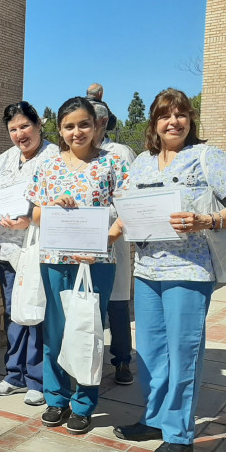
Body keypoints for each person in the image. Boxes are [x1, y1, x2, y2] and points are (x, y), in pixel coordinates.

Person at [113, 88, 226, 452]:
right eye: (166, 115)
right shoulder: (143, 164)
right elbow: (128, 210)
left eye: (181, 114)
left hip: (190, 270)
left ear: (190, 120)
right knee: (150, 353)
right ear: (154, 121)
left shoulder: (206, 156)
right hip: (148, 270)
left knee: (183, 352)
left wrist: (208, 220)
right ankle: (154, 419)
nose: (174, 121)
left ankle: (180, 436)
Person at [28, 96, 127, 435]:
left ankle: (84, 403)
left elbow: (127, 213)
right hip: (55, 261)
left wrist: (106, 241)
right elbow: (35, 215)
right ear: (60, 130)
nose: (77, 131)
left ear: (97, 125)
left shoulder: (112, 164)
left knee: (88, 331)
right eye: (69, 126)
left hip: (96, 262)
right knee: (55, 331)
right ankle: (56, 397)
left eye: (84, 124)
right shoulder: (47, 166)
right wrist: (54, 205)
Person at [0, 102, 58, 406]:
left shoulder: (54, 157)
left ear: (38, 125)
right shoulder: (4, 160)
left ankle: (38, 378)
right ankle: (15, 373)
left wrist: (30, 217)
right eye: (13, 129)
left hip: (36, 250)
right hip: (6, 251)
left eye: (25, 126)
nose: (20, 134)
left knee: (36, 313)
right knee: (15, 312)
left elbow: (56, 203)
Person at [91, 101, 137, 386]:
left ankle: (122, 361)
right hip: (80, 246)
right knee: (87, 306)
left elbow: (130, 198)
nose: (82, 130)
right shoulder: (72, 155)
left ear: (104, 123)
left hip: (113, 240)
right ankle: (89, 362)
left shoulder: (120, 153)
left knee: (117, 306)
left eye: (90, 123)